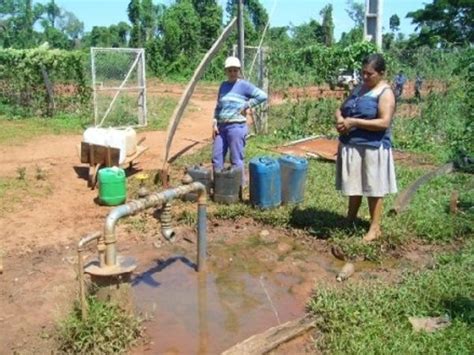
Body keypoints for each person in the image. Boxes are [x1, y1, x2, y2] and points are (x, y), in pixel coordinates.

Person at [335, 53, 397, 242]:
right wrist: (339, 118)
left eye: (370, 74)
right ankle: (350, 219)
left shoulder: (385, 93)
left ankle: (375, 228)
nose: (365, 77)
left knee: (373, 187)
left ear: (381, 73)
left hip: (373, 147)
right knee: (354, 184)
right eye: (363, 73)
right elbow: (340, 108)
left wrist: (353, 121)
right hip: (352, 145)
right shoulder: (358, 89)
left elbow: (384, 122)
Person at [212, 56, 267, 180]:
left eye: (235, 70)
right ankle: (219, 186)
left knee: (236, 158)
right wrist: (215, 121)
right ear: (226, 71)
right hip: (221, 128)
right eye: (230, 70)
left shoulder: (244, 86)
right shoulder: (223, 85)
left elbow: (262, 96)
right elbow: (219, 105)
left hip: (236, 127)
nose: (232, 73)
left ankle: (238, 189)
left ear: (239, 71)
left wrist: (246, 105)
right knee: (217, 157)